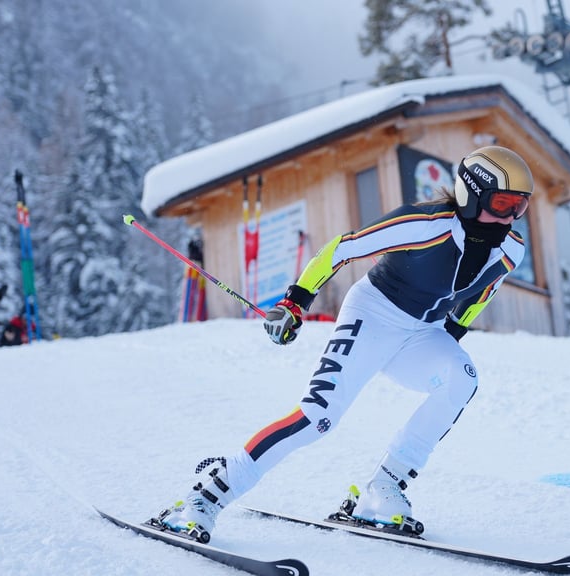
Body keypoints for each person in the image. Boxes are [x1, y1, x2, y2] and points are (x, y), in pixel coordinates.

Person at [156, 145, 535, 542]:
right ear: (471, 194)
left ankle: (383, 489)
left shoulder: (512, 248)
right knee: (317, 417)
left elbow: (480, 294)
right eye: (502, 202)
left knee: (461, 378)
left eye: (519, 207)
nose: (509, 216)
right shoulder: (426, 225)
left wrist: (450, 336)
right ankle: (206, 495)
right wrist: (295, 302)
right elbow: (341, 248)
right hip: (373, 315)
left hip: (421, 332)